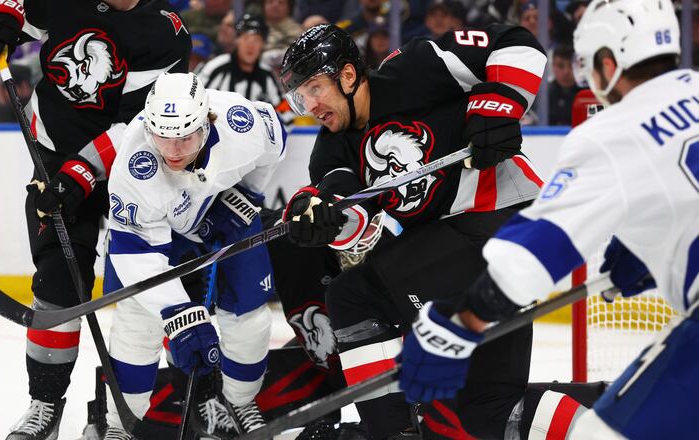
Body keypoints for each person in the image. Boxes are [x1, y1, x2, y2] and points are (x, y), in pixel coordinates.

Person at [398, 1, 698, 439]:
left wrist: (459, 326)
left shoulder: (615, 131)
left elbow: (537, 250)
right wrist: (659, 249)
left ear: (608, 62)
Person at [278, 23, 581, 439]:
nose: (310, 105)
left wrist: (501, 103)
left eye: (314, 88)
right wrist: (321, 218)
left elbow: (516, 41)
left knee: (353, 296)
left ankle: (391, 433)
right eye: (300, 96)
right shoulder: (333, 147)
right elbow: (357, 222)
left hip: (503, 222)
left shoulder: (417, 67)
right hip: (460, 257)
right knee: (491, 412)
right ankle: (612, 427)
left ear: (347, 75)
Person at [0, 1, 191, 438]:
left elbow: (140, 124)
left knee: (142, 291)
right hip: (55, 159)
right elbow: (17, 13)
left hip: (136, 171)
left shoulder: (163, 31)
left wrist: (83, 173)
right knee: (57, 282)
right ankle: (44, 405)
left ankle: (130, 416)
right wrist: (0, 17)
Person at [103, 71, 287, 439]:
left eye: (185, 137)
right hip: (162, 232)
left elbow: (276, 141)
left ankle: (239, 402)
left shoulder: (241, 123)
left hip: (223, 213)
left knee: (249, 319)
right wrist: (178, 312)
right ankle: (119, 426)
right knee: (137, 326)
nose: (173, 151)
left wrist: (247, 197)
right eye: (163, 138)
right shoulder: (134, 166)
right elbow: (134, 250)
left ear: (207, 123)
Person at [198, 14, 291, 123]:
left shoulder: (267, 75)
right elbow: (193, 98)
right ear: (236, 41)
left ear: (263, 44)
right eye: (246, 38)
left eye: (256, 40)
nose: (250, 46)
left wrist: (286, 118)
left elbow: (283, 107)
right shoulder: (216, 67)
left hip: (254, 138)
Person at [548, 45, 581, 125]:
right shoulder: (543, 97)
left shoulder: (588, 95)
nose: (566, 72)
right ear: (553, 66)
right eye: (560, 66)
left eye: (571, 66)